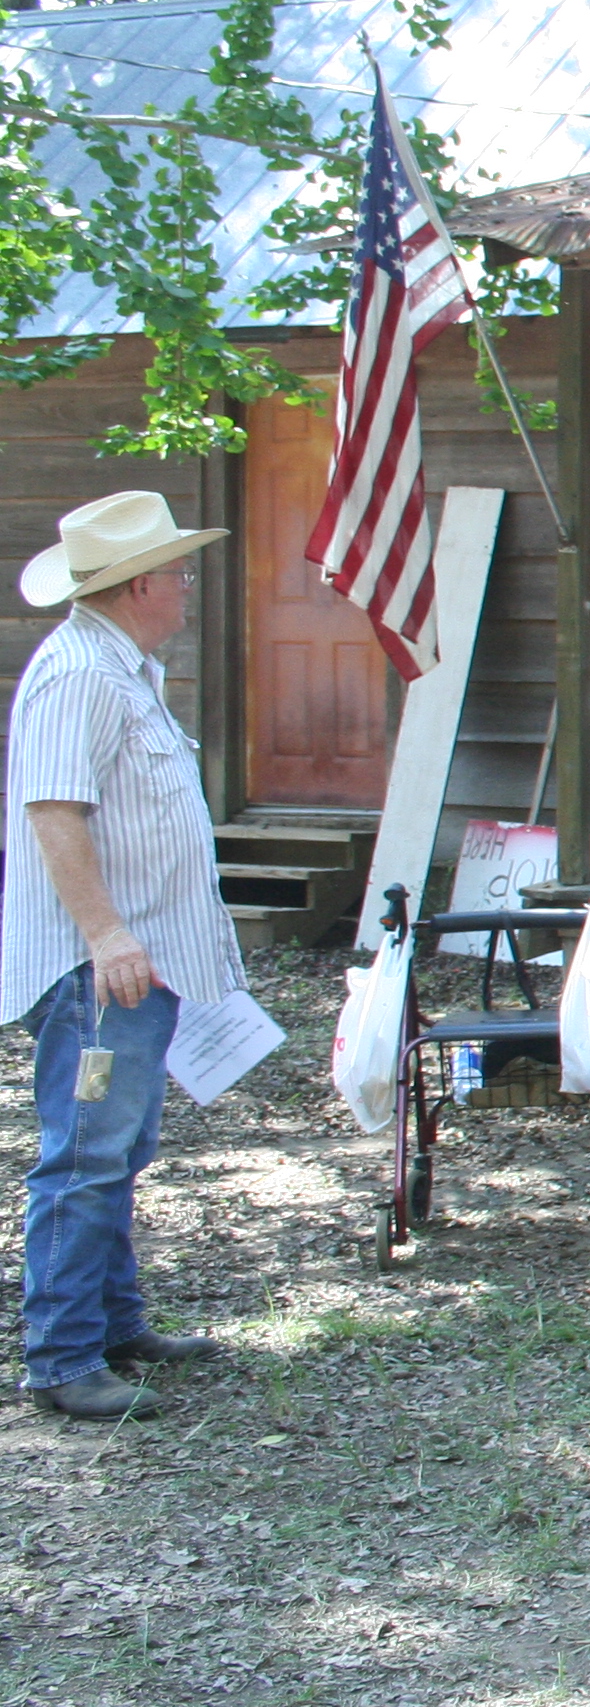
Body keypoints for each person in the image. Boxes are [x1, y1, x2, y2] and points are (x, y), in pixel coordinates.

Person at [7, 492, 239, 1420]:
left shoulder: (122, 667)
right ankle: (62, 1359)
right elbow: (53, 813)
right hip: (95, 971)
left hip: (132, 962)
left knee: (120, 1146)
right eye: (179, 574)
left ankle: (112, 1323)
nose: (187, 588)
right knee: (85, 1155)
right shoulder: (79, 676)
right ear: (141, 583)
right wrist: (105, 933)